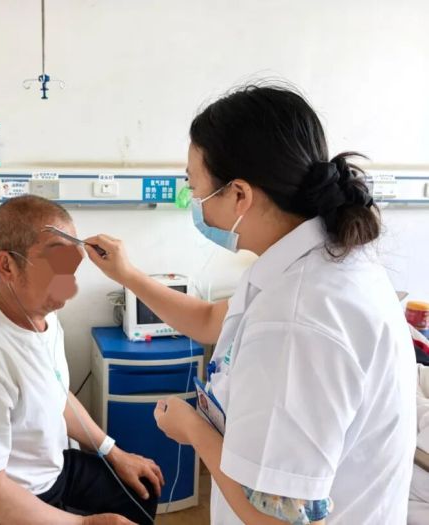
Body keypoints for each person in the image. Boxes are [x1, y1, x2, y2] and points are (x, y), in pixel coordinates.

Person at [84, 84, 416, 524]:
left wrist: (193, 430)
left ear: (239, 195)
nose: (194, 203)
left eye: (195, 188)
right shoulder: (315, 260)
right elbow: (209, 320)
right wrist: (127, 275)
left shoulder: (297, 319)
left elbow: (277, 518)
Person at [0, 195, 163, 525]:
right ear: (7, 266)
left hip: (48, 474)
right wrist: (84, 524)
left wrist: (114, 452)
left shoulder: (44, 318)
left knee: (142, 489)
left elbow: (55, 392)